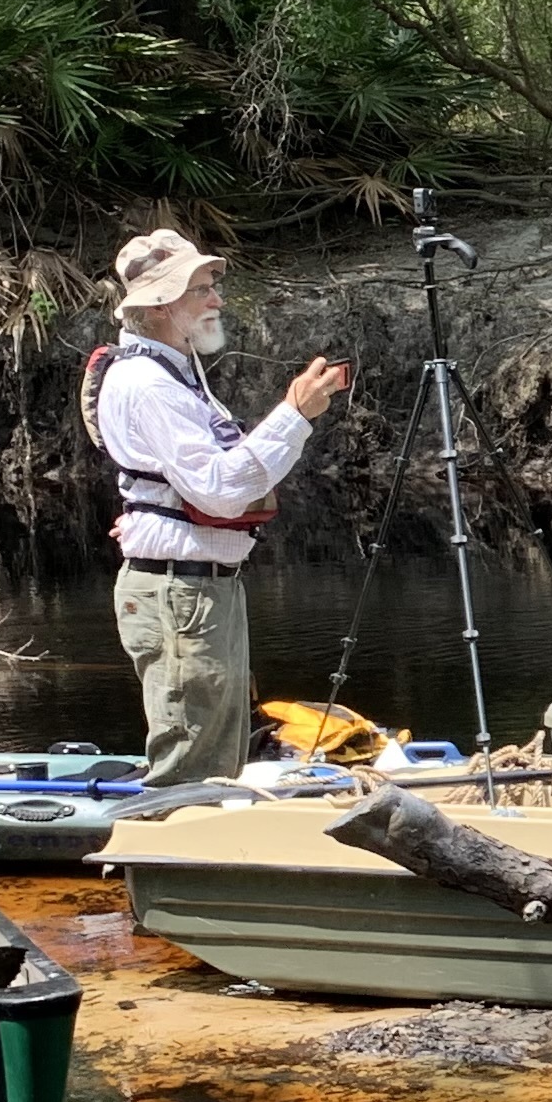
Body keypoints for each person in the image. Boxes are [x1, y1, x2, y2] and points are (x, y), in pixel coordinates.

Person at [93, 231, 350, 786]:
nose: (217, 300)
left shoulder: (172, 374)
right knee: (194, 767)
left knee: (219, 757)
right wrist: (295, 414)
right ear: (162, 305)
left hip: (197, 591)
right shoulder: (146, 383)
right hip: (180, 595)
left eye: (213, 287)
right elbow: (219, 489)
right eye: (202, 289)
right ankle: (170, 859)